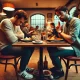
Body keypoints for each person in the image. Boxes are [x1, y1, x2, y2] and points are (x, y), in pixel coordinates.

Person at [47, 6, 80, 79]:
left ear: (67, 12)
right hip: (69, 45)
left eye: (60, 14)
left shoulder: (75, 21)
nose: (59, 17)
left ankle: (60, 71)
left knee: (54, 54)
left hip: (76, 48)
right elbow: (64, 37)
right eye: (57, 15)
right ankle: (57, 66)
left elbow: (72, 39)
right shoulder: (65, 23)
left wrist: (60, 32)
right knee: (50, 47)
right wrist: (58, 32)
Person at [0, 10, 34, 79]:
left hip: (13, 45)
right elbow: (13, 40)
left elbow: (22, 35)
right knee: (26, 50)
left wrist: (14, 35)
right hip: (4, 47)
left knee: (31, 47)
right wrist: (17, 36)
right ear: (16, 17)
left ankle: (24, 66)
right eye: (20, 21)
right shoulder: (6, 22)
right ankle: (21, 71)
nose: (21, 24)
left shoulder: (17, 24)